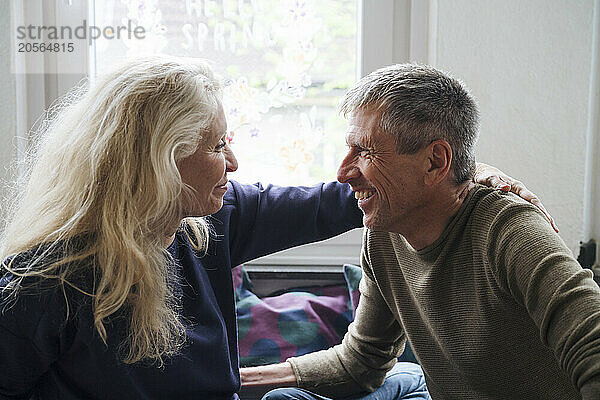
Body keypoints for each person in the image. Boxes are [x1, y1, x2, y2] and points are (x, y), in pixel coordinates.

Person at [0, 56, 553, 400]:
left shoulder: (213, 220)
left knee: (405, 383)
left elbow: (353, 195)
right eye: (218, 146)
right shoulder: (47, 278)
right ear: (159, 162)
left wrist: (464, 173)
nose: (234, 164)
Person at [240, 64, 600, 400]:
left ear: (434, 162)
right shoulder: (385, 231)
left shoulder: (511, 230)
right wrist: (230, 382)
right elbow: (362, 360)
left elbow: (592, 344)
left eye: (365, 151)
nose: (343, 172)